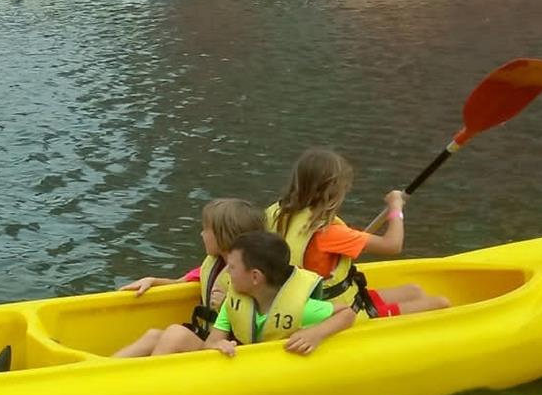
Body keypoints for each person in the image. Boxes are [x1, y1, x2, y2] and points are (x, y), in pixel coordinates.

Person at [267, 147, 449, 318]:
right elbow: (393, 245)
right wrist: (396, 208)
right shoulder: (329, 233)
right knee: (442, 303)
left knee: (414, 290)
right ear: (334, 194)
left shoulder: (275, 212)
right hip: (339, 313)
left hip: (306, 302)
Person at [116, 230, 356, 358]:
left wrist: (316, 334)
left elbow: (347, 314)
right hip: (224, 361)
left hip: (252, 371)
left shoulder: (302, 309)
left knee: (175, 333)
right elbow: (212, 340)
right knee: (159, 335)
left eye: (231, 268)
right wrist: (218, 346)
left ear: (255, 277)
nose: (227, 273)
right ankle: (101, 372)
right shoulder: (236, 301)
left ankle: (145, 388)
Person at [121, 197, 267, 336]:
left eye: (206, 229)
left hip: (228, 344)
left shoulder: (250, 276)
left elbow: (261, 318)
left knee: (177, 334)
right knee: (153, 335)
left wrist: (226, 304)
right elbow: (180, 283)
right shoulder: (212, 266)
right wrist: (152, 281)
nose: (201, 234)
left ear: (224, 235)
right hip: (204, 335)